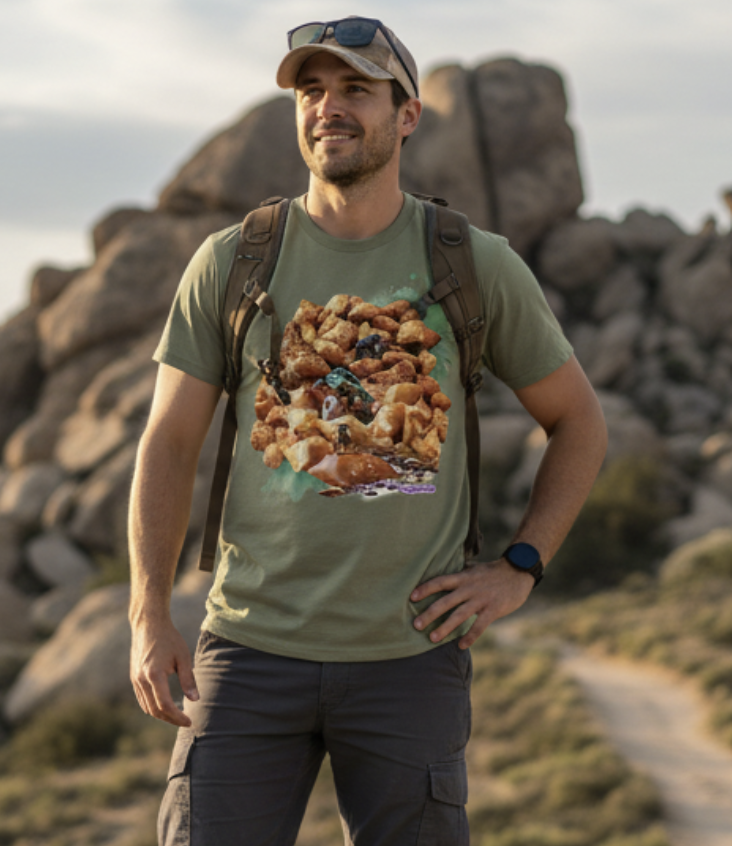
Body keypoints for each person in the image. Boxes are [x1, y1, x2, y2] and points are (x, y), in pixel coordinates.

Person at [128, 16, 608, 846]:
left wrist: (521, 567)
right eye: (311, 90)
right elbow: (169, 441)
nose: (328, 107)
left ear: (408, 114)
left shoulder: (472, 262)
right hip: (248, 651)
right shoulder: (233, 260)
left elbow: (579, 422)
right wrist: (147, 613)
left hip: (409, 658)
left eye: (355, 88)